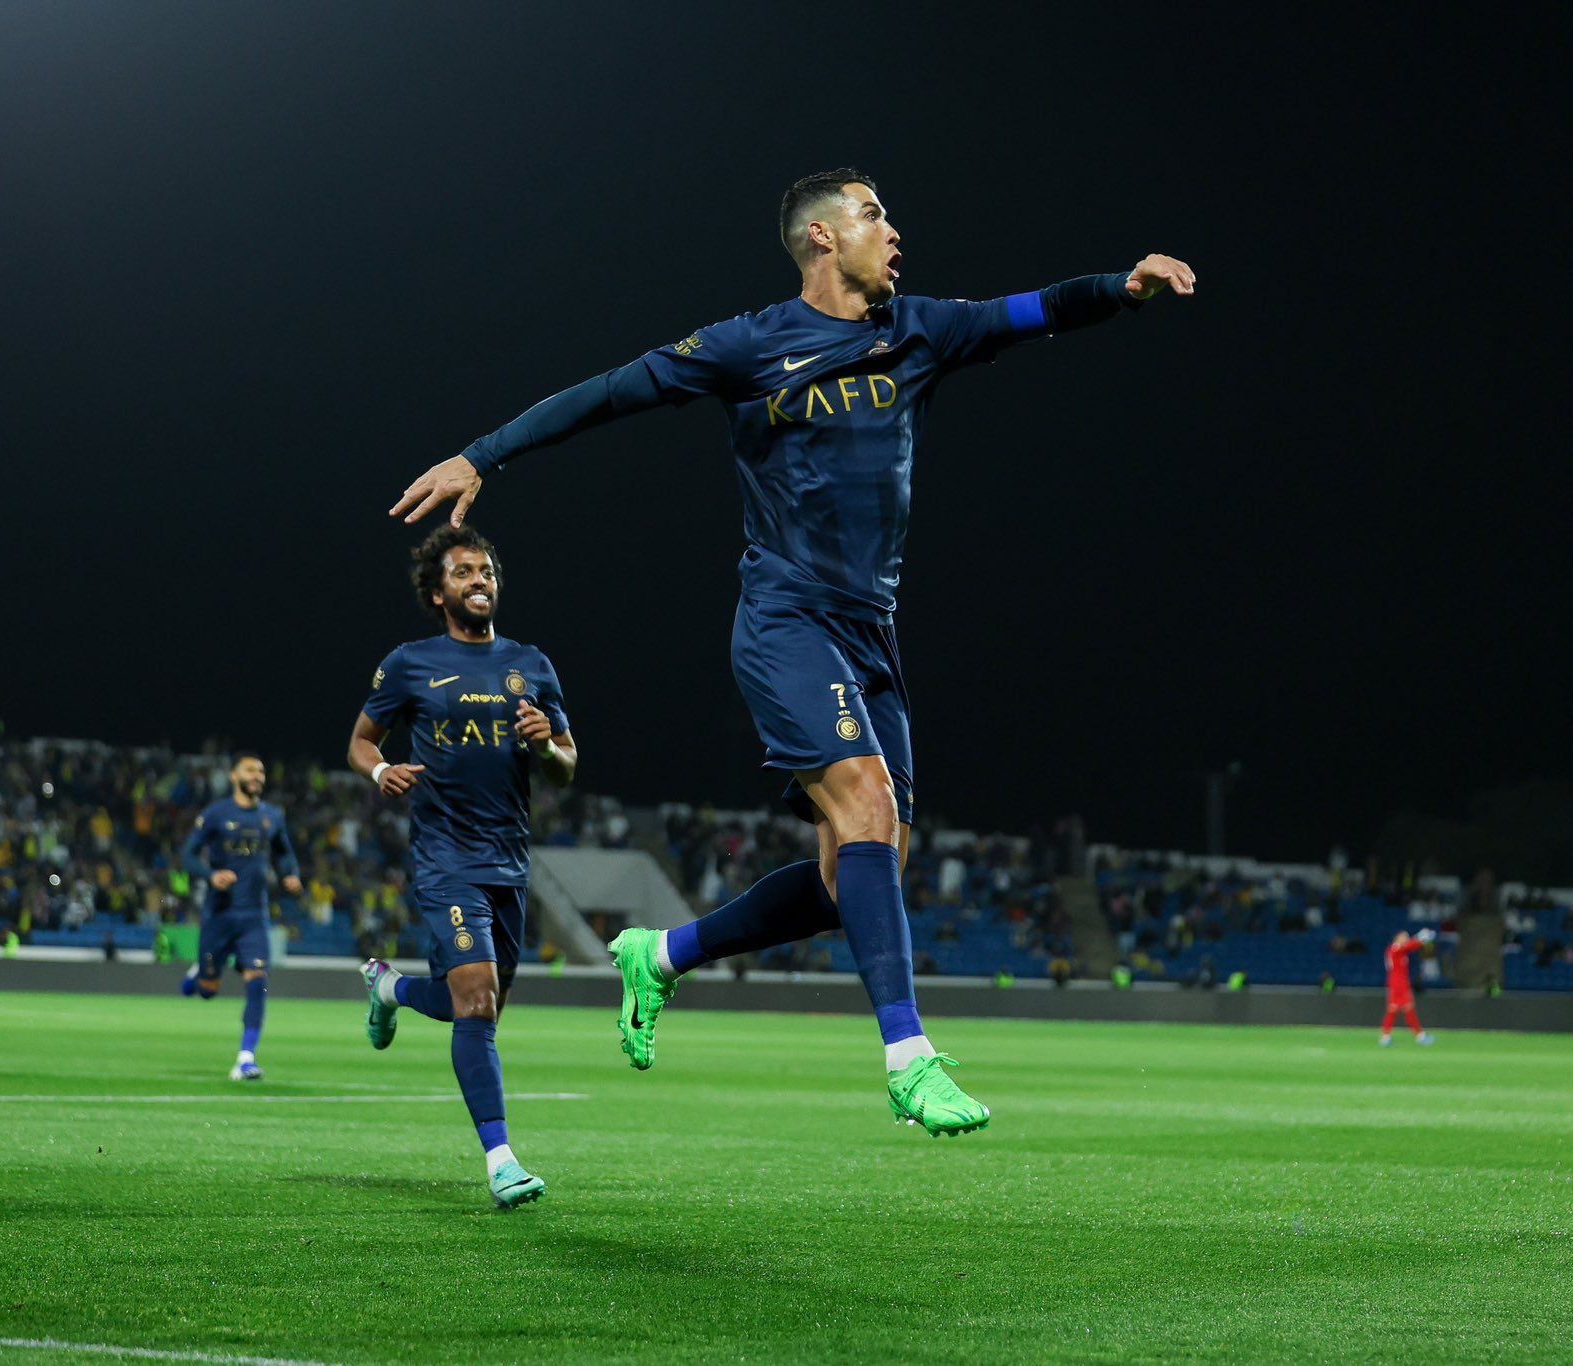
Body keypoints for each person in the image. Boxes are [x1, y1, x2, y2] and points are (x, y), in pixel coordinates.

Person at [391, 169, 1193, 1138]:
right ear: (820, 236)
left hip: (871, 635)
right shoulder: (750, 344)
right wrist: (483, 452)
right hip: (785, 619)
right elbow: (610, 393)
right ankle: (908, 1056)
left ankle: (663, 953)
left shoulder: (924, 331)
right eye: (872, 214)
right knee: (866, 803)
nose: (893, 232)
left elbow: (1035, 309)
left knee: (856, 871)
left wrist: (1125, 287)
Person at [349, 525, 575, 1207]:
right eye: (464, 573)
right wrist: (383, 768)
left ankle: (387, 990)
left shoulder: (530, 664)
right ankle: (502, 1162)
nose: (480, 581)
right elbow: (361, 740)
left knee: (473, 1006)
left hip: (509, 859)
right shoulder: (411, 663)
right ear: (437, 590)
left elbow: (567, 768)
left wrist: (547, 750)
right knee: (476, 997)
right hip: (445, 856)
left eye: (487, 572)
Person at [179, 753, 302, 1080]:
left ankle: (246, 1058)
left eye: (261, 771)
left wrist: (291, 875)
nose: (257, 775)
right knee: (208, 989)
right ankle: (198, 976)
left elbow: (285, 855)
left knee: (258, 981)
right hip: (219, 914)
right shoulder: (217, 814)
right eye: (250, 770)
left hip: (254, 915)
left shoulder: (273, 817)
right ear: (234, 776)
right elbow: (188, 855)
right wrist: (210, 874)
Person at [1380, 930, 1435, 1047]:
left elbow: (1410, 946)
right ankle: (1420, 1036)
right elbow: (1409, 945)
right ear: (1397, 938)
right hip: (1398, 984)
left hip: (1398, 983)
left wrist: (1420, 939)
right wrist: (1421, 937)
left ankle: (1386, 1037)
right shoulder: (1394, 949)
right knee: (1403, 1009)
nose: (1406, 938)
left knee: (1396, 1010)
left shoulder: (1399, 950)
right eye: (1404, 937)